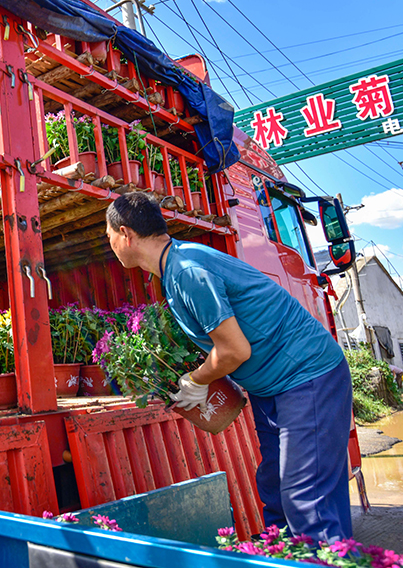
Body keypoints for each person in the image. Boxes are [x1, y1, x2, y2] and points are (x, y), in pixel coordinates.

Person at [104, 192, 353, 543]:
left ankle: (330, 558)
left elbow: (234, 350)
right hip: (273, 387)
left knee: (305, 498)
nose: (111, 244)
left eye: (109, 235)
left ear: (126, 234)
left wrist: (196, 379)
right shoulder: (173, 267)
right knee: (277, 489)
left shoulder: (187, 271)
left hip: (306, 376)